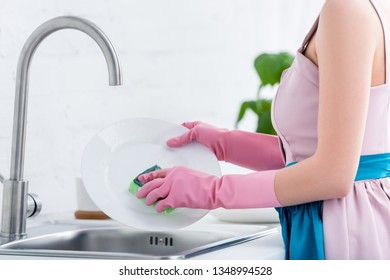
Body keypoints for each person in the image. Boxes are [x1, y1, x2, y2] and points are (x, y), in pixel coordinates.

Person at [136, 0, 390, 260]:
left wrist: (214, 190)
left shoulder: (346, 9)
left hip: (342, 226)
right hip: (357, 216)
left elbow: (333, 175)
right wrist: (226, 143)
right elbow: (340, 156)